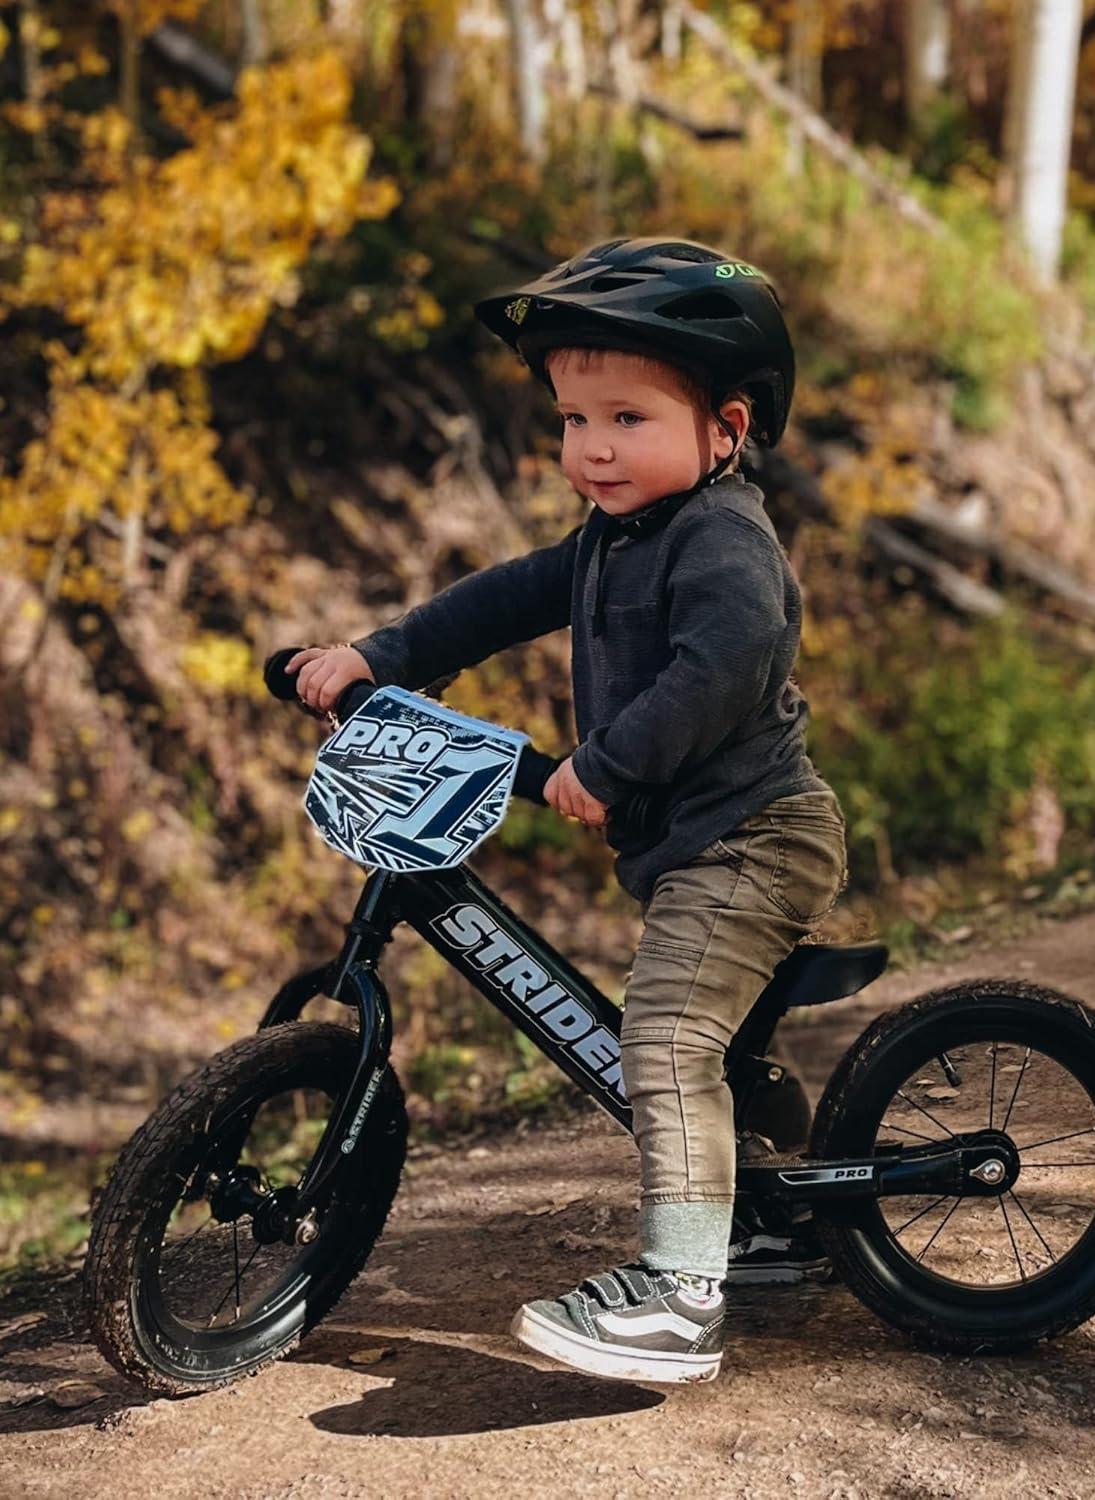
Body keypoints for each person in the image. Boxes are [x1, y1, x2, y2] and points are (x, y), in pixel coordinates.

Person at [284, 236, 847, 1385]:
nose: (591, 446)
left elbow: (726, 661)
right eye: (572, 418)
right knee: (711, 1041)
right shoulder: (611, 538)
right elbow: (499, 601)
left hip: (757, 836)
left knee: (666, 1034)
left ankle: (680, 1301)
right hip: (699, 843)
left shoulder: (723, 540)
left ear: (727, 429)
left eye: (627, 418)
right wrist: (376, 656)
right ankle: (778, 1217)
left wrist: (609, 763)